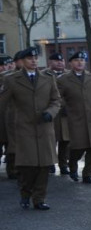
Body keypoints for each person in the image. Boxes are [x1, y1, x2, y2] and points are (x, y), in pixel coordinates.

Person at [0, 47, 61, 209]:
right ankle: (25, 193)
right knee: (28, 166)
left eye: (35, 58)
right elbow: (2, 103)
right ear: (22, 61)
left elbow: (56, 100)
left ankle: (39, 199)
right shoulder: (12, 80)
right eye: (29, 58)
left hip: (44, 127)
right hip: (24, 128)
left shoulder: (48, 78)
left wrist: (50, 113)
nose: (33, 61)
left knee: (43, 165)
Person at [57, 51, 91, 184]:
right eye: (76, 60)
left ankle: (88, 174)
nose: (79, 62)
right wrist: (63, 109)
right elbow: (57, 98)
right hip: (75, 119)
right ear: (70, 63)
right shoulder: (63, 79)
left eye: (82, 60)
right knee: (77, 147)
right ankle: (72, 166)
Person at [43, 52, 69, 175]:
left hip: (65, 114)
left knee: (65, 140)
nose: (59, 63)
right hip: (51, 113)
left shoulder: (69, 75)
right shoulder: (44, 75)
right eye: (56, 61)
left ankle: (63, 164)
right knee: (50, 140)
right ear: (50, 62)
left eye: (61, 60)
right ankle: (50, 163)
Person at [0, 54, 15, 179]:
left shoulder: (13, 80)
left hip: (10, 118)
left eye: (9, 64)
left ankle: (12, 170)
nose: (7, 67)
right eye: (4, 65)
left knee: (12, 147)